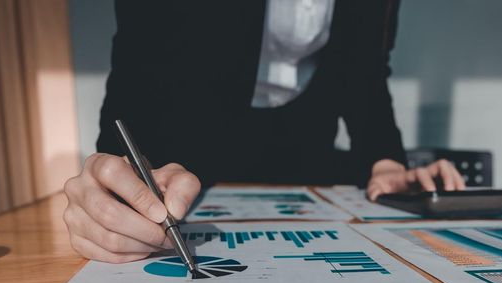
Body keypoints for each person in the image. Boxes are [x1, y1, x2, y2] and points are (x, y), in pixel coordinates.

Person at [63, 0, 466, 263]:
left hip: (305, 153)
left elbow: (367, 69)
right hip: (185, 155)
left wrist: (386, 162)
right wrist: (113, 183)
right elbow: (139, 58)